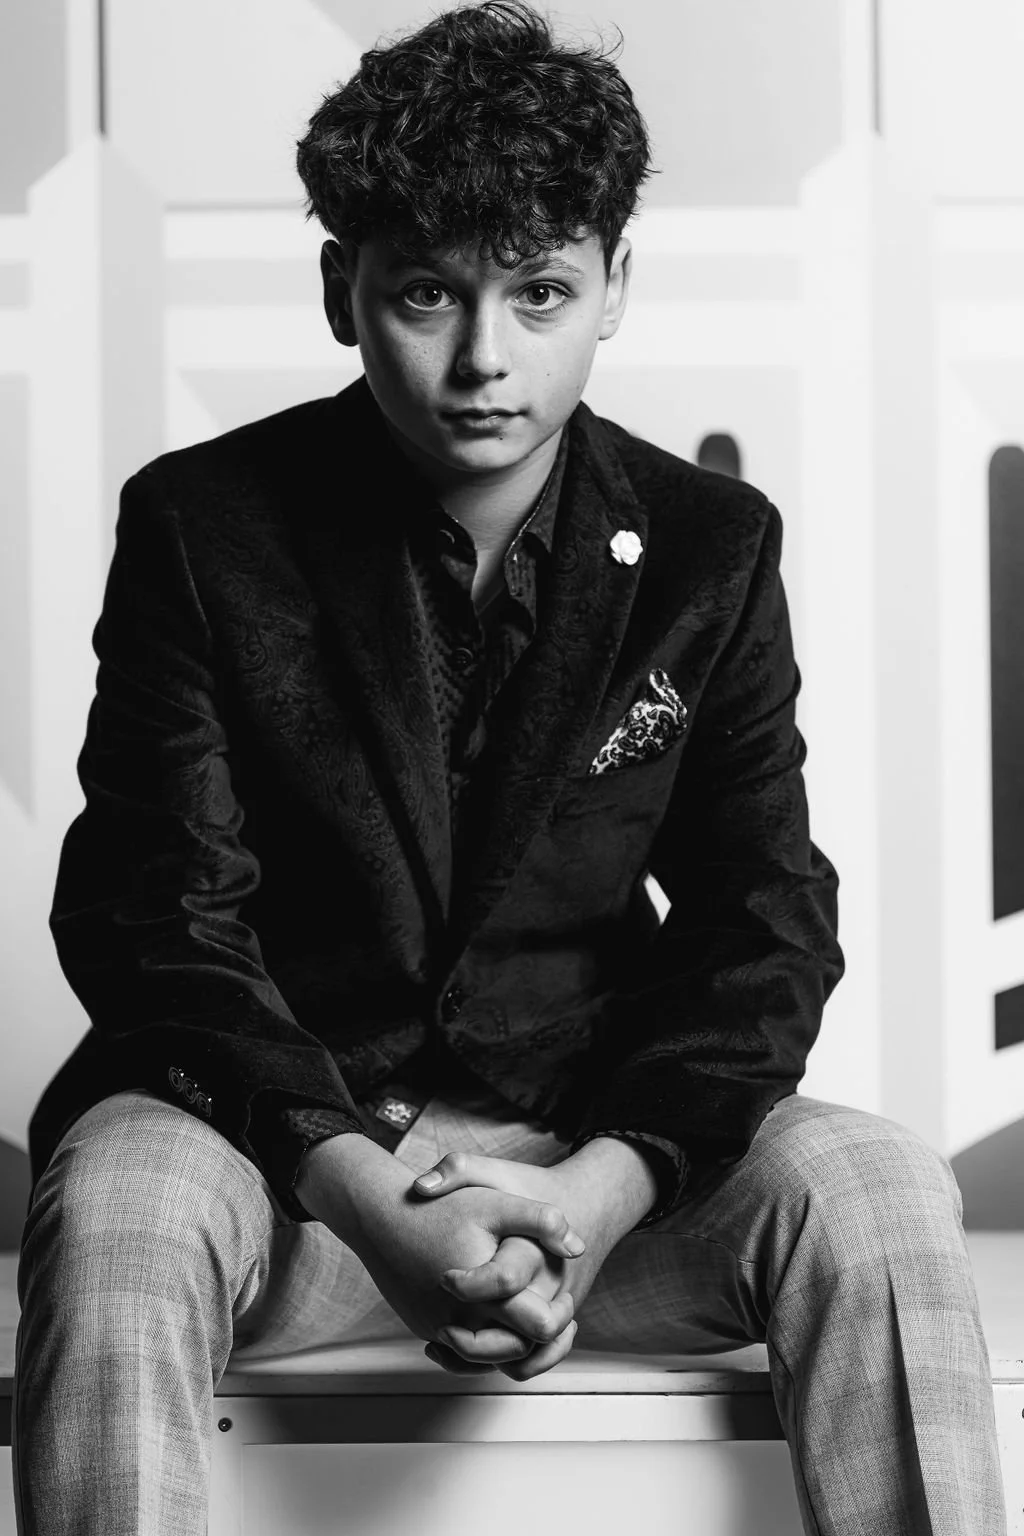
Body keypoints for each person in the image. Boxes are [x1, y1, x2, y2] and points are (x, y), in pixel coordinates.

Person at [12, 3, 1005, 1532]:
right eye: (428, 294)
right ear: (343, 294)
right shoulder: (206, 528)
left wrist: (603, 1189)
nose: (486, 358)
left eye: (540, 292)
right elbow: (156, 920)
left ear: (614, 290)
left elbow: (768, 925)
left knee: (875, 1192)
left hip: (596, 1164)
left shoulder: (706, 551)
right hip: (285, 1170)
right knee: (122, 1200)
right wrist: (352, 1181)